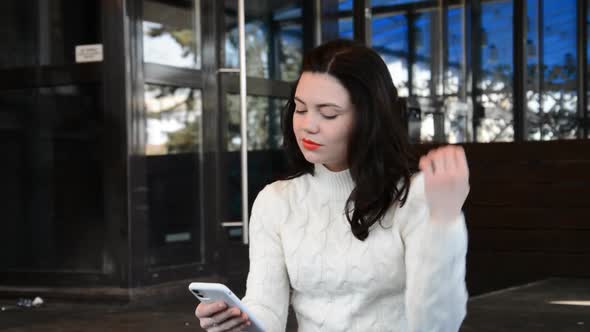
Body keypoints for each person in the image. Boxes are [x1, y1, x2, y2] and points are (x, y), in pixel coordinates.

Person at [195, 39, 469, 332]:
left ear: (369, 118)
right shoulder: (275, 201)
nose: (308, 125)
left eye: (328, 114)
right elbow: (267, 310)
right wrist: (237, 323)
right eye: (300, 110)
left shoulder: (415, 196)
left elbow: (438, 326)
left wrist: (444, 223)